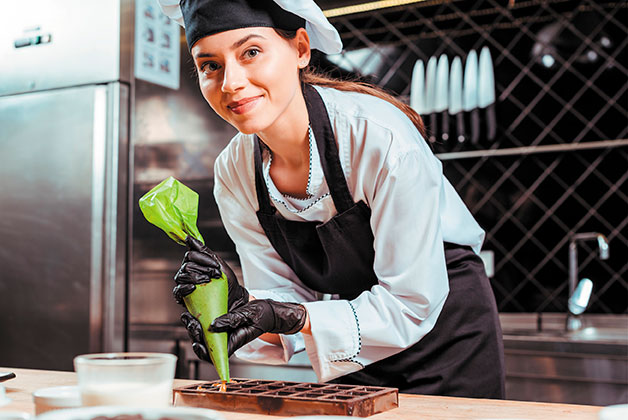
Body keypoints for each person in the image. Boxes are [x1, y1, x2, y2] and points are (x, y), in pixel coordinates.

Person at [159, 0, 505, 398]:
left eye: (251, 52)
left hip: (448, 334)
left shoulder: (380, 138)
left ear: (301, 49)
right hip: (357, 347)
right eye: (210, 65)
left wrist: (291, 316)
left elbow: (412, 303)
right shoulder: (234, 173)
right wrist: (239, 311)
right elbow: (282, 300)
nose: (231, 82)